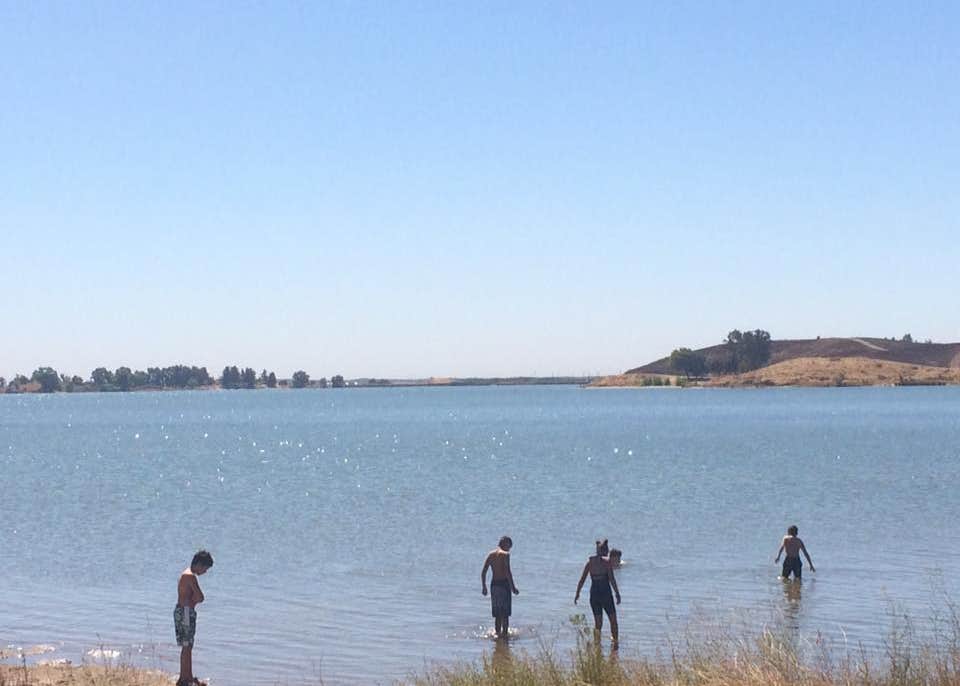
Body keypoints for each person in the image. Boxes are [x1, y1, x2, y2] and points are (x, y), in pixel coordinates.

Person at [175, 550, 214, 686]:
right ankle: (184, 678)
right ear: (198, 564)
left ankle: (187, 677)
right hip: (185, 612)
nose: (205, 572)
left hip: (185, 611)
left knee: (187, 646)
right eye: (205, 568)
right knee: (187, 646)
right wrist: (193, 602)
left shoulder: (186, 573)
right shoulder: (190, 576)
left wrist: (192, 602)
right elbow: (200, 597)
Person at [575, 539, 621, 648]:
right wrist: (617, 594)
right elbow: (612, 580)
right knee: (613, 621)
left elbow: (582, 580)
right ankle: (615, 645)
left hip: (594, 596)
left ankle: (597, 647)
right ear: (605, 551)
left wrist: (577, 593)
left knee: (598, 624)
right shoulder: (607, 564)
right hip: (606, 595)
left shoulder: (590, 563)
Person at [481, 536, 519, 639]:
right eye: (509, 546)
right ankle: (505, 636)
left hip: (494, 585)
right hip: (503, 585)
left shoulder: (491, 554)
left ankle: (497, 635)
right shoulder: (505, 555)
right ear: (506, 544)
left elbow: (484, 571)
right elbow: (507, 572)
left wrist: (484, 587)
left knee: (497, 613)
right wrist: (513, 588)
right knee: (505, 613)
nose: (509, 549)